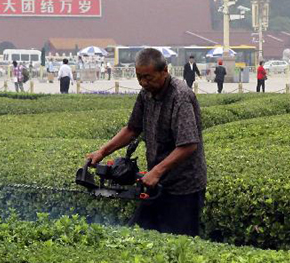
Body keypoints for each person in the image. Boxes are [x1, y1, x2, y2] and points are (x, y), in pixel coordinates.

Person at [87, 48, 206, 237]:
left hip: (183, 187)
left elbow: (189, 144)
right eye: (139, 77)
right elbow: (132, 129)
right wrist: (102, 152)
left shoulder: (180, 96)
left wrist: (157, 171)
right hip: (156, 184)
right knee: (137, 235)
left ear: (164, 70)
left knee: (179, 244)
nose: (143, 83)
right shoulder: (145, 94)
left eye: (148, 78)